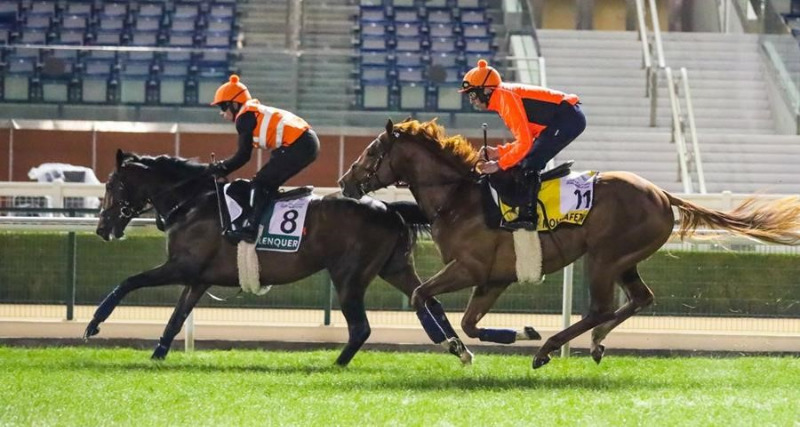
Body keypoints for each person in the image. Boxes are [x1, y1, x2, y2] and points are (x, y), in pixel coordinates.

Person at [460, 59, 586, 231]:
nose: (472, 100)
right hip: (564, 117)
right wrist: (498, 152)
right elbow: (524, 141)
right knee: (524, 159)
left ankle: (529, 216)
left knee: (530, 162)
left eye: (473, 95)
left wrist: (499, 164)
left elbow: (525, 144)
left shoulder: (505, 98)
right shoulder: (502, 98)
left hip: (567, 118)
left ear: (487, 90)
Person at [208, 74, 320, 243]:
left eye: (223, 107)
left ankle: (251, 229)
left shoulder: (244, 118)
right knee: (267, 183)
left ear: (234, 104)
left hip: (300, 143)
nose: (222, 113)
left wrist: (221, 167)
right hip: (304, 142)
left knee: (260, 182)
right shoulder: (250, 112)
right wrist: (224, 167)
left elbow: (243, 156)